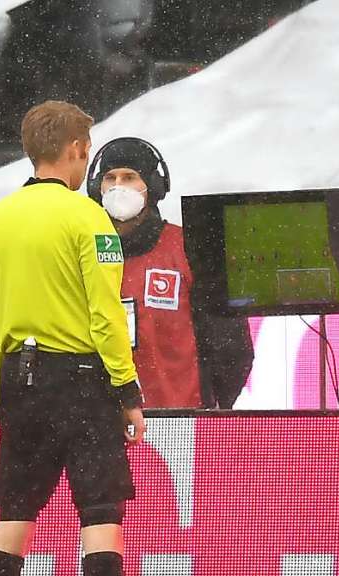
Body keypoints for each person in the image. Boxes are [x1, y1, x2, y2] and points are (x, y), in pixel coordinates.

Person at [0, 100, 147, 576]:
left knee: (12, 524)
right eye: (86, 149)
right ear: (73, 150)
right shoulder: (88, 220)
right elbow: (105, 314)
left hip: (20, 382)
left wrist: (1, 389)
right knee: (100, 523)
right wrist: (127, 391)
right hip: (84, 383)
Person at [87, 137, 253, 408]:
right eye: (110, 177)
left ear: (152, 186)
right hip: (102, 430)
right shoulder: (83, 253)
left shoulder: (190, 248)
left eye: (130, 177)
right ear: (97, 187)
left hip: (181, 424)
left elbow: (232, 349)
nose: (118, 187)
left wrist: (209, 407)